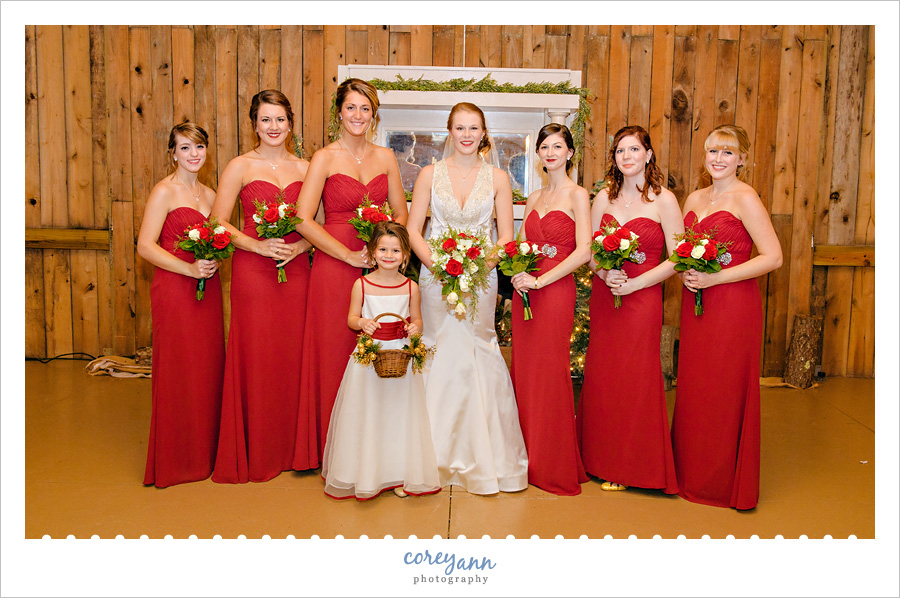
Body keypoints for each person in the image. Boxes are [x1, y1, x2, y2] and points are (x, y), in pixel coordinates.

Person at [407, 102, 528, 495]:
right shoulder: (429, 174)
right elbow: (413, 231)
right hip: (435, 276)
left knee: (478, 349)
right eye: (459, 127)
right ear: (449, 131)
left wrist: (477, 266)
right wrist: (439, 265)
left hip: (481, 276)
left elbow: (507, 237)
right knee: (437, 349)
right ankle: (429, 455)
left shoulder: (497, 178)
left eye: (473, 127)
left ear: (483, 132)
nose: (466, 134)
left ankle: (485, 454)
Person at [294, 78, 409, 466]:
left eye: (365, 108)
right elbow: (302, 219)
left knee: (375, 351)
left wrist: (386, 251)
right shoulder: (324, 158)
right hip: (333, 265)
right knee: (334, 351)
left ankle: (374, 448)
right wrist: (347, 255)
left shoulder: (387, 157)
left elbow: (401, 212)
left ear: (373, 115)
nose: (358, 115)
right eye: (351, 108)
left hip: (378, 270)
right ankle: (333, 449)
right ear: (338, 112)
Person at [672, 124, 783, 509]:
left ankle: (720, 483)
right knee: (696, 387)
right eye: (713, 151)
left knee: (724, 389)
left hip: (733, 305)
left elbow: (773, 256)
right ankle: (691, 474)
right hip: (696, 302)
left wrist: (716, 276)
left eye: (728, 152)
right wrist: (686, 271)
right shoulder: (694, 197)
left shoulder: (745, 198)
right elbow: (681, 250)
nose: (718, 159)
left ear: (742, 159)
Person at [210, 90, 313, 483]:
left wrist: (301, 245)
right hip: (253, 271)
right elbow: (218, 221)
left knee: (293, 354)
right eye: (266, 120)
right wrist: (256, 244)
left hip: (296, 271)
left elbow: (316, 222)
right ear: (254, 124)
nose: (273, 127)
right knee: (256, 353)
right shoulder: (239, 166)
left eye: (280, 120)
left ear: (290, 124)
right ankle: (258, 448)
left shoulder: (306, 167)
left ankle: (295, 447)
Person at [577, 125, 684, 495]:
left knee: (635, 375)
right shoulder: (603, 199)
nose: (627, 156)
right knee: (605, 374)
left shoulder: (664, 201)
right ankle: (598, 457)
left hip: (643, 297)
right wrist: (606, 273)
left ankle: (632, 464)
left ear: (648, 155)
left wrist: (636, 283)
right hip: (608, 296)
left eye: (634, 149)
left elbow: (680, 258)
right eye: (620, 150)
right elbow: (591, 253)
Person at [321, 222, 441, 500]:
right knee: (369, 411)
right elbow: (351, 319)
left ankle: (398, 473)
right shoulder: (361, 284)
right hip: (369, 358)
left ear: (405, 255)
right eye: (383, 249)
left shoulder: (411, 287)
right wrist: (363, 321)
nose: (389, 255)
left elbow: (418, 320)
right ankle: (365, 473)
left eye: (396, 250)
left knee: (398, 414)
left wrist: (415, 328)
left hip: (400, 357)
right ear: (373, 252)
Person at [137, 122, 223, 488]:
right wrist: (189, 268)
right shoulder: (164, 192)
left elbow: (222, 237)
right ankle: (176, 460)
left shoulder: (211, 193)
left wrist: (215, 258)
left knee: (206, 367)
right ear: (172, 153)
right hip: (175, 287)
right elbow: (145, 245)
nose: (193, 155)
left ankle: (204, 453)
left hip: (208, 288)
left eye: (199, 147)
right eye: (185, 148)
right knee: (178, 367)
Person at [508, 124, 591, 496]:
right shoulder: (534, 195)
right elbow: (525, 244)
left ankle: (552, 463)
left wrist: (542, 281)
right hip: (527, 290)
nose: (551, 152)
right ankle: (525, 456)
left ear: (570, 152)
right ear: (538, 155)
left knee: (550, 371)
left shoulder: (578, 195)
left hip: (555, 291)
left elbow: (584, 251)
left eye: (558, 146)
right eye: (544, 146)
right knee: (526, 372)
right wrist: (520, 272)